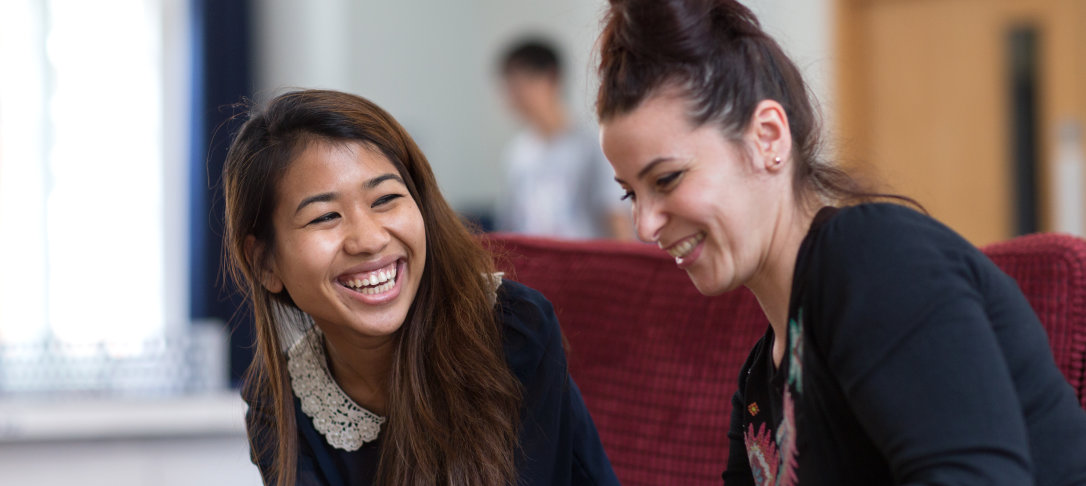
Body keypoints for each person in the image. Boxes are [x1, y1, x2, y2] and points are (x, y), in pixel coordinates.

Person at [593, 1, 1086, 485]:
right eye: (630, 193)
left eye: (667, 178)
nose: (644, 224)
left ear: (768, 137)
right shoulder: (760, 382)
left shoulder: (874, 258)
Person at [222, 89, 619, 486]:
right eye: (325, 216)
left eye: (386, 199)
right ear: (264, 263)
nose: (370, 239)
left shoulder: (513, 330)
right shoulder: (276, 401)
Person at [496, 38, 631, 240]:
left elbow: (616, 218)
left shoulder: (592, 148)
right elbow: (513, 226)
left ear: (551, 78)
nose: (515, 94)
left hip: (586, 264)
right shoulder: (517, 154)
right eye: (510, 85)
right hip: (536, 265)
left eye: (522, 82)